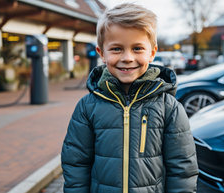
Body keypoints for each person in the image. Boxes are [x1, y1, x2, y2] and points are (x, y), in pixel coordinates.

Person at [61, 3, 198, 193]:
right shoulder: (87, 107)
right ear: (102, 53)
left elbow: (182, 168)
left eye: (137, 48)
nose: (127, 57)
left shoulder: (169, 107)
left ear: (152, 52)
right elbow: (76, 163)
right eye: (116, 49)